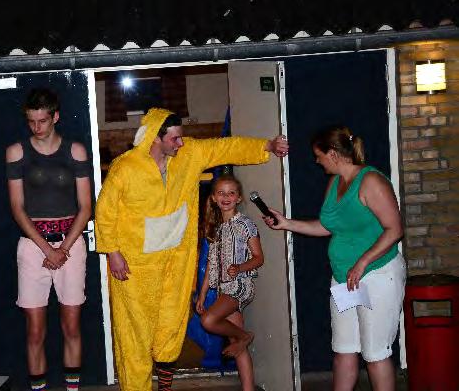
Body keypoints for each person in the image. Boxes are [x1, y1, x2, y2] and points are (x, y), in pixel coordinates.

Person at [95, 107, 288, 391]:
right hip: (135, 267)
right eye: (174, 139)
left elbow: (226, 147)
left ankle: (165, 386)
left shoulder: (189, 155)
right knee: (134, 335)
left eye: (181, 137)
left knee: (171, 328)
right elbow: (105, 211)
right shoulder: (125, 168)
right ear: (155, 138)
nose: (180, 143)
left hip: (175, 262)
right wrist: (112, 252)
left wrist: (266, 146)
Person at [263, 125, 405, 391]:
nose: (317, 161)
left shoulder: (371, 181)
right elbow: (328, 227)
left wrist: (362, 262)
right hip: (344, 277)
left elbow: (395, 229)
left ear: (333, 153)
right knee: (343, 350)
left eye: (319, 155)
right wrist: (286, 223)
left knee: (375, 354)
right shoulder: (335, 182)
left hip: (377, 275)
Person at [6, 88, 92, 391]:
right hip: (33, 247)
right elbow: (17, 208)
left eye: (42, 121)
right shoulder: (16, 152)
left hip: (71, 242)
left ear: (55, 116)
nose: (36, 127)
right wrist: (47, 248)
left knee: (71, 326)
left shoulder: (75, 151)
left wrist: (63, 249)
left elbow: (86, 207)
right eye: (31, 121)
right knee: (35, 331)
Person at [195, 174, 264, 391]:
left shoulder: (245, 224)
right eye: (221, 193)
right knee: (237, 343)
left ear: (239, 197)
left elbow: (259, 257)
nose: (226, 197)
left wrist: (240, 267)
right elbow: (211, 266)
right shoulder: (216, 229)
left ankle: (247, 336)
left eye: (231, 193)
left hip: (240, 287)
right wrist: (204, 294)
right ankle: (248, 387)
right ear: (214, 197)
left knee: (208, 320)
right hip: (224, 288)